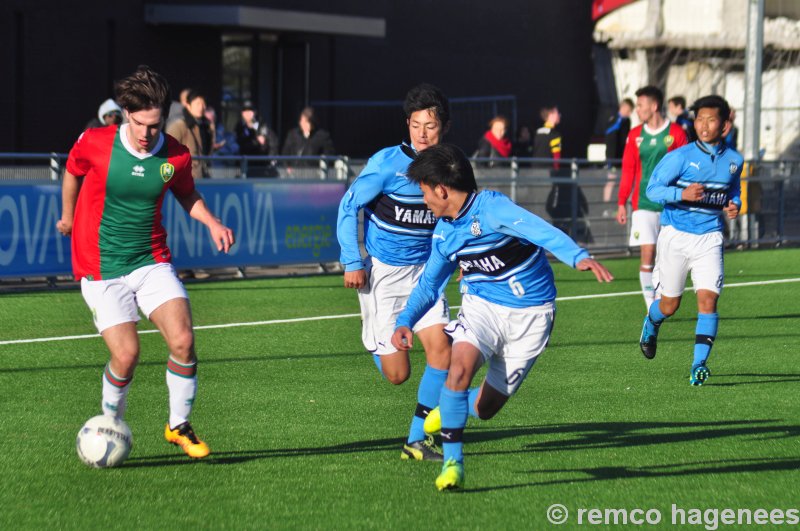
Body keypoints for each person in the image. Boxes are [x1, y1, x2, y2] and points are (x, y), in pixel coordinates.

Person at [390, 144, 613, 491]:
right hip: (482, 308)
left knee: (487, 407)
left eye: (423, 191)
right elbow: (429, 284)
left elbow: (541, 230)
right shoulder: (445, 234)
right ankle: (453, 465)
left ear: (441, 189)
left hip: (532, 316)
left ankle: (447, 411)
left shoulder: (492, 209)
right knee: (459, 369)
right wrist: (405, 320)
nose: (424, 201)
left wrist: (577, 256)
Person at [56, 65, 235, 459]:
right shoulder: (95, 142)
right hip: (100, 267)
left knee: (184, 341)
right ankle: (110, 422)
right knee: (126, 354)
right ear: (125, 114)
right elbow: (72, 172)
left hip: (150, 260)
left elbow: (186, 194)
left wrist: (212, 222)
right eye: (138, 123)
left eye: (153, 126)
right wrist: (68, 215)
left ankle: (178, 425)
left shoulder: (175, 154)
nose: (144, 133)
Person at [336, 84, 452, 461]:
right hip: (383, 276)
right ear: (407, 124)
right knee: (398, 374)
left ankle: (418, 440)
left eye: (430, 126)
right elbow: (347, 205)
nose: (422, 133)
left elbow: (461, 217)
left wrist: (464, 259)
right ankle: (375, 340)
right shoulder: (387, 164)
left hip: (426, 275)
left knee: (441, 351)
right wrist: (353, 260)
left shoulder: (451, 167)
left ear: (443, 128)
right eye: (416, 125)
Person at [640, 95, 742, 386]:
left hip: (710, 236)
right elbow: (653, 190)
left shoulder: (735, 160)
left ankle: (699, 365)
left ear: (724, 124)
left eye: (711, 119)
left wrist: (735, 204)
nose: (704, 124)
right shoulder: (680, 157)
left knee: (708, 300)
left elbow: (732, 190)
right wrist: (680, 195)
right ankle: (652, 321)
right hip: (676, 235)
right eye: (699, 118)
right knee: (670, 305)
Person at [617, 86, 688, 309]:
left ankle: (664, 297)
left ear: (654, 106)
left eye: (640, 105)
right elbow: (628, 170)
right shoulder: (634, 135)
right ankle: (651, 306)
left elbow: (686, 167)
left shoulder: (676, 133)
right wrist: (621, 202)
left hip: (671, 203)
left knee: (667, 257)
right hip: (643, 203)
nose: (637, 110)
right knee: (647, 255)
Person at [166, 90, 208, 178]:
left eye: (203, 104)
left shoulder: (204, 126)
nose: (201, 107)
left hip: (199, 177)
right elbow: (168, 152)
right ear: (188, 105)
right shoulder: (178, 126)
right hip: (183, 179)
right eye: (198, 104)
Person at [282, 106, 335, 171]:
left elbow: (329, 156)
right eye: (302, 121)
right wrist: (287, 167)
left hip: (313, 173)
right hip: (295, 172)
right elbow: (285, 154)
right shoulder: (293, 135)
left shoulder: (322, 136)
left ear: (312, 123)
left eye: (306, 122)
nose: (303, 124)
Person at [235, 102, 279, 177]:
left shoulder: (261, 125)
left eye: (250, 111)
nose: (247, 114)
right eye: (245, 112)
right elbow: (240, 144)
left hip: (261, 166)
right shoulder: (240, 127)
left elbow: (268, 144)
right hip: (245, 165)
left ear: (254, 113)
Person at [532, 105, 561, 171]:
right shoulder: (554, 134)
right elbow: (556, 157)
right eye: (557, 113)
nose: (559, 115)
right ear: (551, 115)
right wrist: (557, 171)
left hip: (535, 170)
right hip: (549, 172)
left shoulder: (537, 132)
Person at [605, 98, 633, 163]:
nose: (629, 114)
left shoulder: (627, 121)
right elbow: (609, 133)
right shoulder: (613, 118)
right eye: (628, 111)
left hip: (622, 154)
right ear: (623, 107)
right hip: (612, 154)